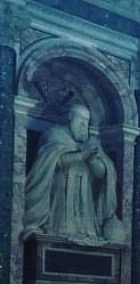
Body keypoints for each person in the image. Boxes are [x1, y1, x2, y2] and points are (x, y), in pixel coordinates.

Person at [22, 103, 121, 242]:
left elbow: (103, 174)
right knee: (59, 231)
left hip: (86, 204)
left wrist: (93, 161)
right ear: (70, 117)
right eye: (80, 118)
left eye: (87, 120)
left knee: (87, 235)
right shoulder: (55, 134)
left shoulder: (92, 142)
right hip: (59, 199)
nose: (83, 124)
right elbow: (49, 162)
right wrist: (81, 155)